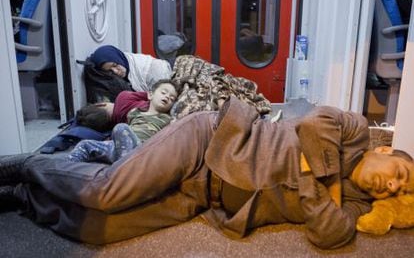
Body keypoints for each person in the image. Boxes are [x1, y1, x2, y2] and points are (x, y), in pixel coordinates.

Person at [0, 97, 413, 249]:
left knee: (95, 230)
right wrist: (324, 192)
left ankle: (21, 195)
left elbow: (331, 233)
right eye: (400, 173)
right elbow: (313, 123)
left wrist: (313, 174)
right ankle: (26, 165)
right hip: (207, 141)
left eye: (397, 191)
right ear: (386, 149)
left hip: (204, 200)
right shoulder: (356, 131)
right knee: (105, 193)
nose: (390, 185)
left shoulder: (356, 205)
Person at [67, 79, 178, 164]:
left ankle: (123, 168)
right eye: (164, 92)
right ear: (150, 94)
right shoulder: (135, 112)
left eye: (172, 99)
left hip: (142, 149)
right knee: (85, 144)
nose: (168, 97)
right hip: (121, 148)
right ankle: (68, 167)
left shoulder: (168, 118)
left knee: (120, 128)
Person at [89, 45, 173, 92]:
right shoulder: (125, 68)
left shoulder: (154, 69)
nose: (115, 71)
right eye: (110, 71)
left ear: (119, 58)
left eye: (115, 65)